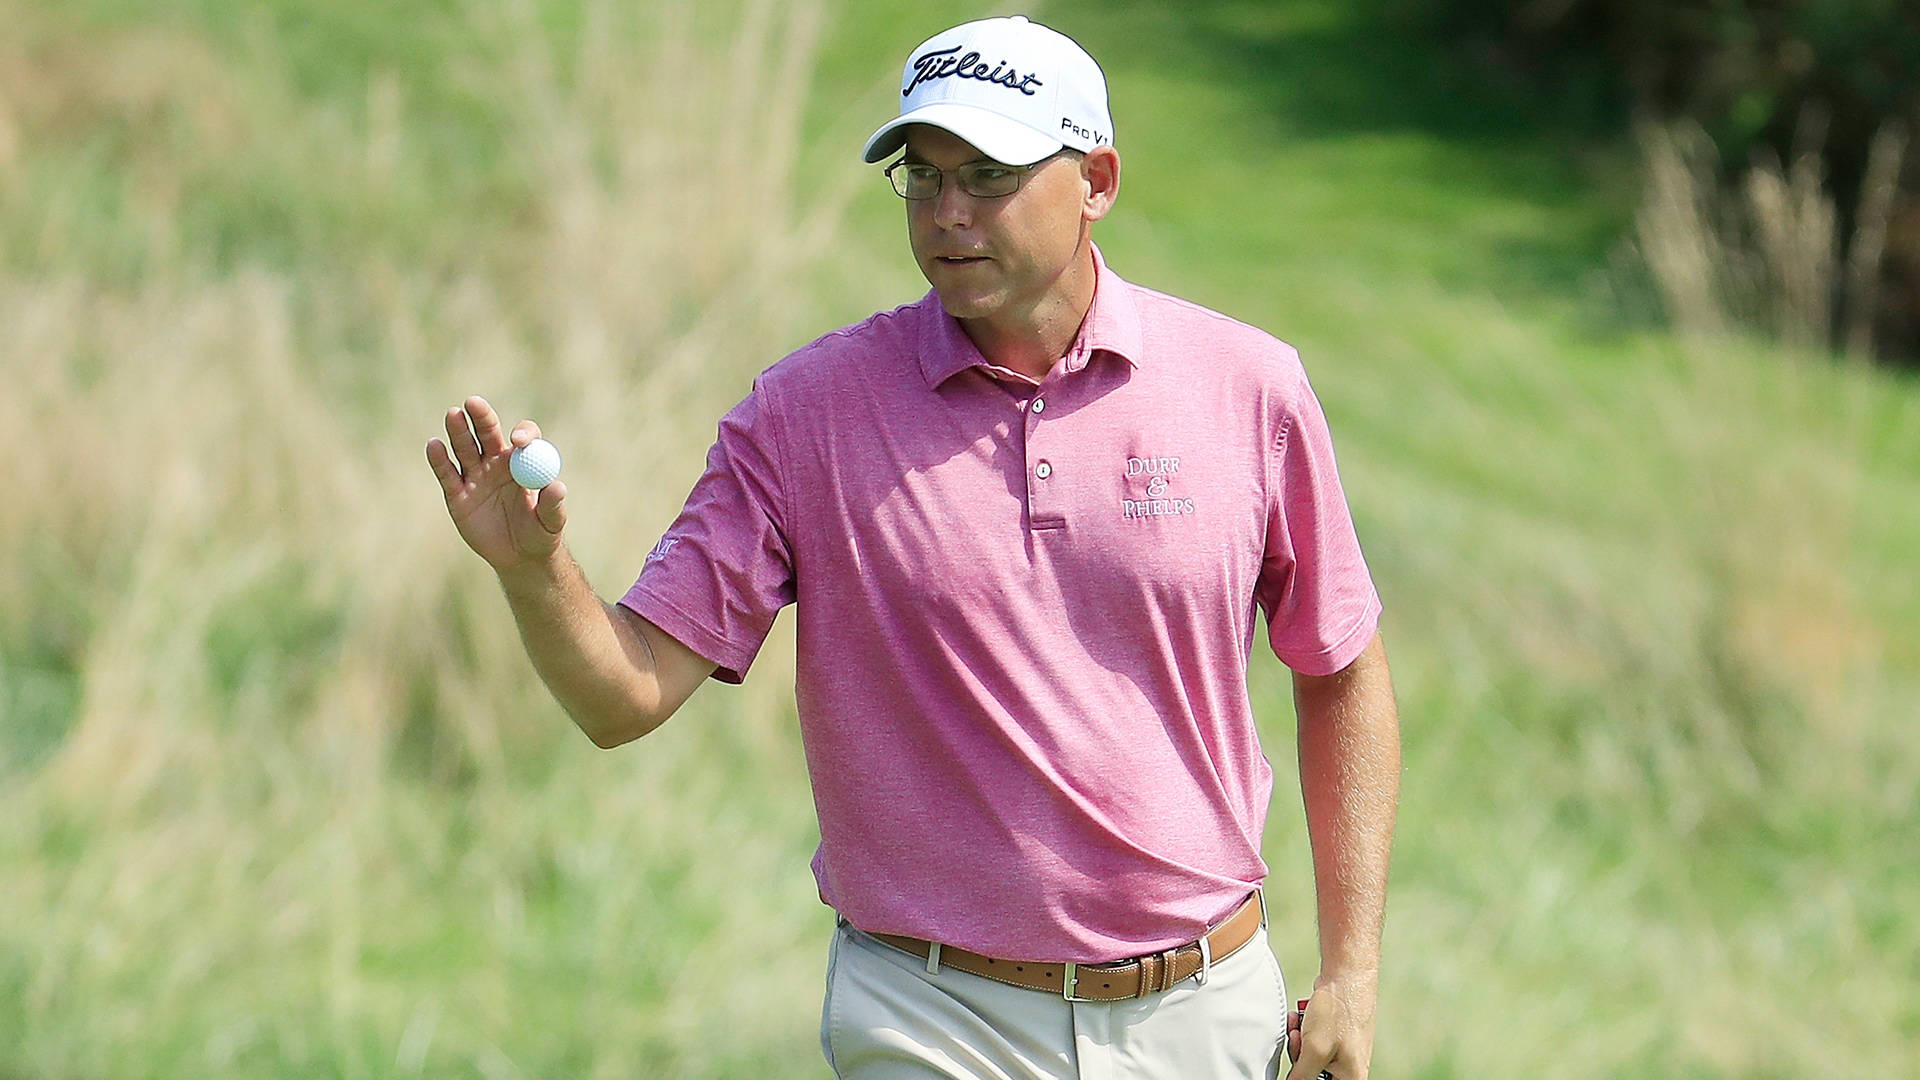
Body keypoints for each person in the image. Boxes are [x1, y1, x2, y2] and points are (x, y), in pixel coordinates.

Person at [426, 14, 1398, 1080]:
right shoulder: (806, 414)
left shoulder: (1246, 387)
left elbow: (1340, 669)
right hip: (932, 1017)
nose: (948, 214)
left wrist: (1352, 971)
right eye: (922, 178)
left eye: (987, 175)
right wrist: (534, 574)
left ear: (1099, 180)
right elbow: (625, 696)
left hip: (1204, 1011)